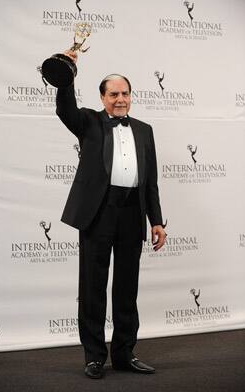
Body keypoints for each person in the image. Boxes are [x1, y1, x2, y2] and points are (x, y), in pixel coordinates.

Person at [56, 50, 167, 379]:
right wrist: (67, 70)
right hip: (98, 211)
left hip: (133, 210)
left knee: (126, 286)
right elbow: (65, 109)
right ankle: (93, 357)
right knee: (92, 285)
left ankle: (124, 353)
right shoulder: (88, 122)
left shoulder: (145, 130)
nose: (121, 99)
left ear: (131, 96)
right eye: (114, 94)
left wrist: (156, 220)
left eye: (125, 93)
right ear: (102, 97)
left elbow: (151, 181)